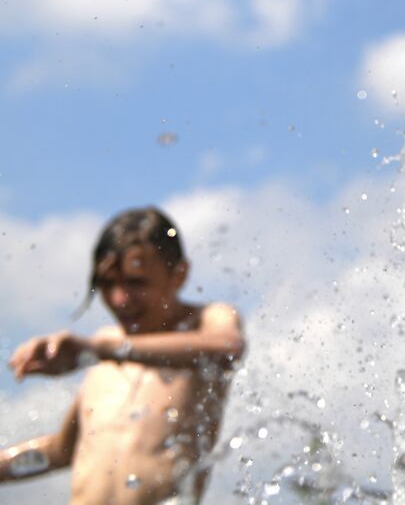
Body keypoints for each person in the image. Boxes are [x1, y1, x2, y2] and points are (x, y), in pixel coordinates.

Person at [2, 207, 245, 503]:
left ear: (178, 275)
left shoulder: (206, 320)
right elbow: (60, 451)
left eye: (136, 283)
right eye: (107, 285)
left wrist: (100, 351)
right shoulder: (103, 344)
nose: (119, 299)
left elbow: (227, 348)